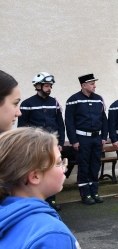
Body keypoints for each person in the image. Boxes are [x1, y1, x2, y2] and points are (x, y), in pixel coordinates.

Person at [0, 128, 80, 248]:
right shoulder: (52, 235)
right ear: (35, 176)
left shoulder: (6, 212)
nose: (65, 168)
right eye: (59, 163)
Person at [18, 72, 65, 211]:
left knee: (51, 171)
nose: (49, 88)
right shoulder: (27, 104)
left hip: (52, 145)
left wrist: (60, 142)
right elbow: (22, 128)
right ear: (37, 86)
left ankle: (51, 201)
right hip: (35, 146)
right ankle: (37, 200)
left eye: (50, 86)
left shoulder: (54, 103)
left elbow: (60, 124)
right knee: (37, 172)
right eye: (46, 86)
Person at [65, 73, 108, 205]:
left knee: (95, 165)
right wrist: (74, 141)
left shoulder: (98, 99)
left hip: (96, 138)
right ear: (84, 85)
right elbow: (69, 122)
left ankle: (94, 192)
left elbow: (104, 120)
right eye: (92, 84)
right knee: (84, 167)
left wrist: (104, 137)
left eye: (94, 83)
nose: (95, 86)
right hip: (82, 139)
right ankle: (86, 194)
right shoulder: (73, 99)